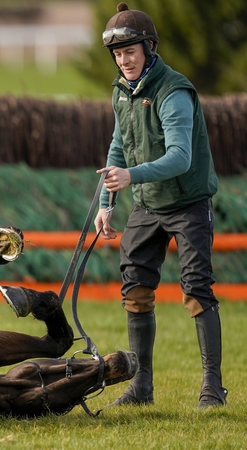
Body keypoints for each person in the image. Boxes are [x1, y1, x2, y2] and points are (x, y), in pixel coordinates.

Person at [93, 3, 226, 408]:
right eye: (117, 54)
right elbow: (118, 147)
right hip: (146, 205)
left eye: (130, 51)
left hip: (187, 203)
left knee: (196, 291)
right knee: (134, 290)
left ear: (149, 47)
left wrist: (132, 176)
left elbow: (181, 157)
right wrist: (106, 202)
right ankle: (141, 388)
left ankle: (212, 388)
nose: (124, 60)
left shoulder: (173, 92)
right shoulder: (122, 91)